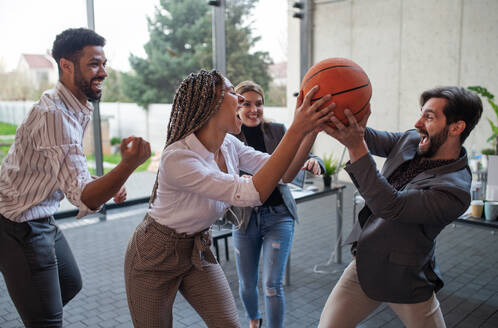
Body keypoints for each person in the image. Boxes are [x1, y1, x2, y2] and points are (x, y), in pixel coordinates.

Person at [124, 70, 335, 328]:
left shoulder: (228, 145)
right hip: (154, 255)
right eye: (234, 93)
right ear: (211, 104)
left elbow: (285, 173)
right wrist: (297, 127)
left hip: (196, 248)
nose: (241, 100)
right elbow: (253, 193)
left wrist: (310, 130)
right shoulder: (178, 157)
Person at [0, 28, 151, 328]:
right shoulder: (55, 115)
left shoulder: (70, 106)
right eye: (94, 64)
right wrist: (128, 165)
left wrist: (107, 183)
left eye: (104, 63)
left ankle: (35, 309)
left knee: (70, 284)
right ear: (66, 65)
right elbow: (82, 196)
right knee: (47, 320)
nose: (104, 72)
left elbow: (65, 168)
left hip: (40, 216)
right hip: (18, 225)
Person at [318, 86, 483, 328]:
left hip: (406, 277)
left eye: (429, 117)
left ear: (457, 127)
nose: (418, 123)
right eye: (421, 113)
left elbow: (391, 206)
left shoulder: (455, 190)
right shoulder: (412, 139)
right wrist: (332, 116)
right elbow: (365, 136)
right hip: (365, 265)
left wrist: (355, 146)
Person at [226, 80, 324, 328]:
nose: (253, 109)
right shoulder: (227, 139)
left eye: (258, 103)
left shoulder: (277, 130)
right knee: (247, 284)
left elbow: (302, 155)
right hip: (244, 219)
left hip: (279, 216)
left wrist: (316, 162)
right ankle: (253, 319)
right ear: (235, 106)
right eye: (245, 103)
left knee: (272, 284)